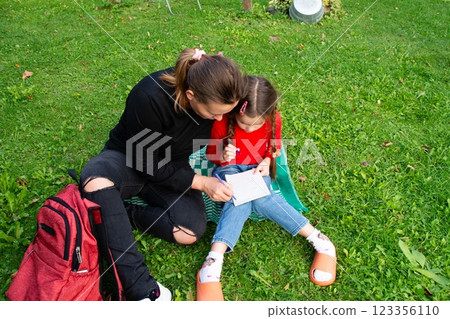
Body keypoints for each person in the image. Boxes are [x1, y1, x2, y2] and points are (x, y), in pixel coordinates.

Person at [80, 48, 247, 301]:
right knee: (94, 179)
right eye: (215, 113)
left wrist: (221, 147)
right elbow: (143, 160)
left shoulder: (218, 100)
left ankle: (120, 214)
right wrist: (201, 182)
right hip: (129, 159)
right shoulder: (149, 97)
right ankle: (139, 286)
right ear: (191, 96)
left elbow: (255, 112)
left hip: (173, 167)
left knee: (188, 232)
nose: (220, 118)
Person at [196, 76, 337, 301]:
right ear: (235, 112)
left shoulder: (274, 119)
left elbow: (274, 147)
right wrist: (222, 154)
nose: (250, 128)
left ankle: (211, 264)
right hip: (229, 169)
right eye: (244, 124)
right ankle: (320, 240)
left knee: (255, 197)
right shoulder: (222, 122)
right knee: (242, 195)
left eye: (256, 124)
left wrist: (266, 161)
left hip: (255, 170)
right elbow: (211, 154)